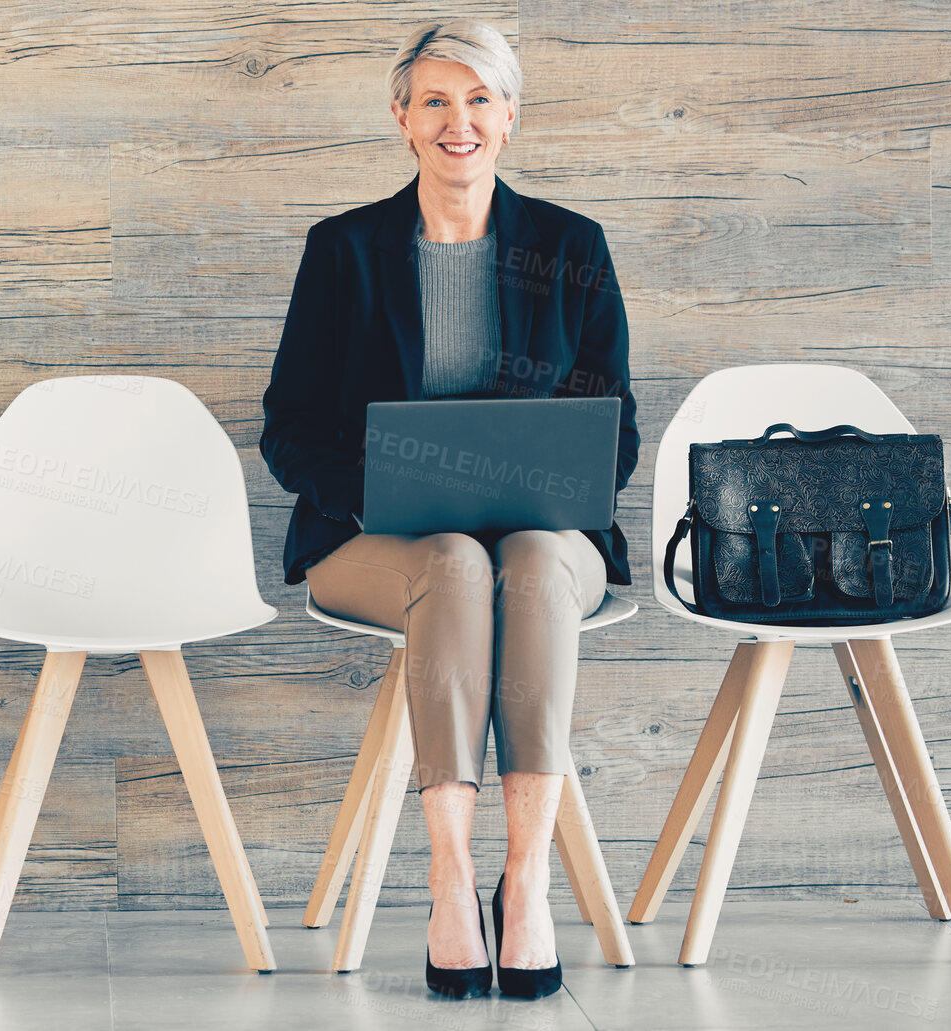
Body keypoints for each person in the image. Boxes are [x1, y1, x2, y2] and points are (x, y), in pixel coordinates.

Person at [258, 19, 637, 1001]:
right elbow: (287, 428)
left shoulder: (570, 247)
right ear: (400, 117)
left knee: (521, 564)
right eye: (434, 100)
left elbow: (616, 434)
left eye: (477, 100)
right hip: (377, 541)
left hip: (547, 542)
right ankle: (448, 878)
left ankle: (525, 886)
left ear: (508, 119)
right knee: (455, 565)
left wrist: (546, 493)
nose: (455, 121)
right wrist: (385, 491)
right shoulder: (343, 252)